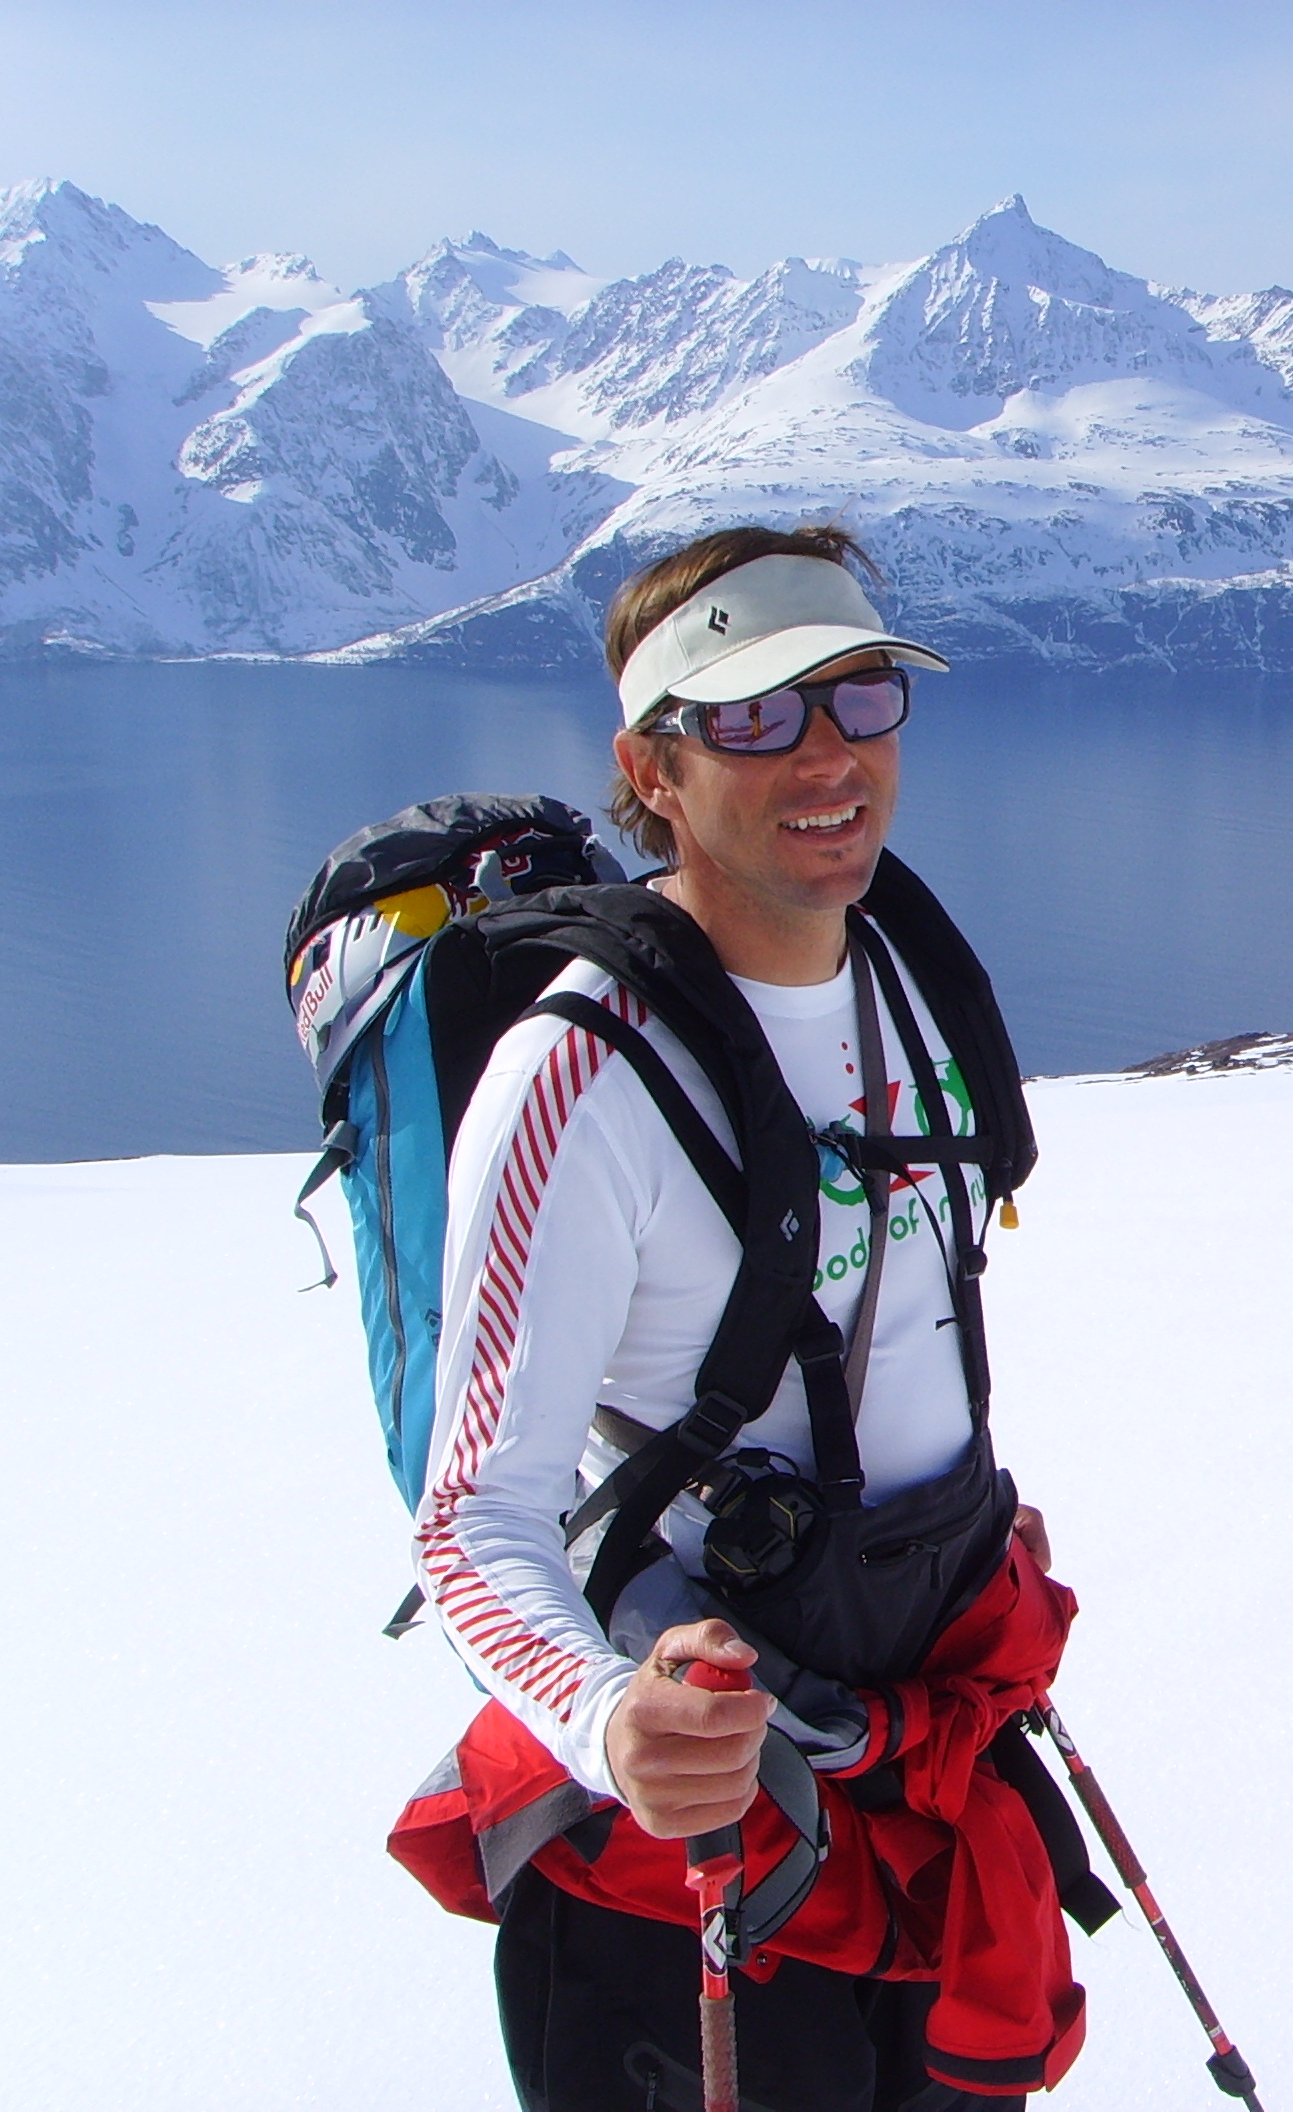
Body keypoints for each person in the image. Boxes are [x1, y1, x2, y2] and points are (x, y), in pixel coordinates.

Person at [412, 525, 1069, 2110]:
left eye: (857, 696)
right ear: (654, 767)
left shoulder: (902, 969)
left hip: (927, 1728)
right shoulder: (580, 1078)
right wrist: (605, 1717)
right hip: (699, 1823)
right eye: (758, 714)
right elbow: (470, 1517)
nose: (828, 754)